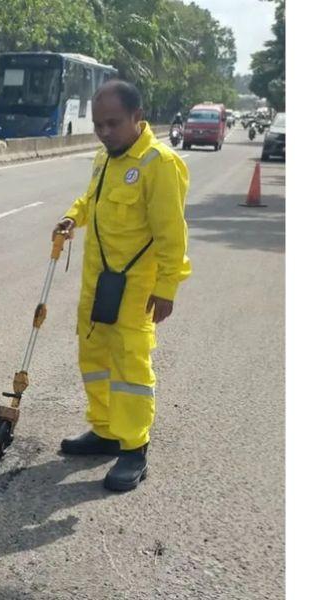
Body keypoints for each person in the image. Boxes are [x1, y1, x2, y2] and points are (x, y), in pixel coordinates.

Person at [53, 80, 190, 492]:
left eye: (113, 123)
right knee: (94, 358)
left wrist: (167, 285)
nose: (104, 131)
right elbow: (89, 200)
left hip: (135, 292)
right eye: (98, 124)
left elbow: (171, 234)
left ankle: (134, 448)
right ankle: (106, 430)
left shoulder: (158, 163)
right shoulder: (104, 159)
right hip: (97, 285)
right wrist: (71, 217)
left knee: (130, 367)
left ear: (137, 118)